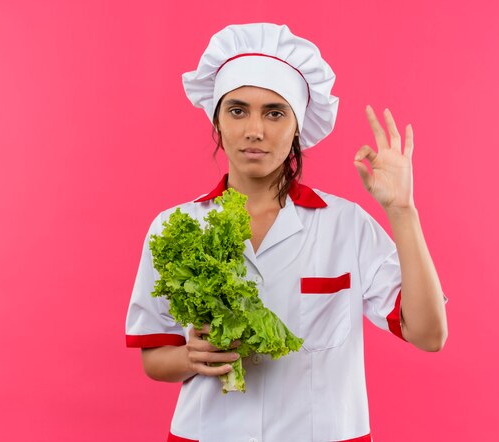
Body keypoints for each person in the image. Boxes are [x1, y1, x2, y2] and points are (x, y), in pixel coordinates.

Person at [125, 23, 448, 442]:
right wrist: (192, 356)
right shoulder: (173, 226)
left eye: (274, 112)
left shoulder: (344, 224)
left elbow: (428, 334)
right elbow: (154, 357)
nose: (254, 130)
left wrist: (402, 212)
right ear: (217, 122)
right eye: (237, 110)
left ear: (298, 126)